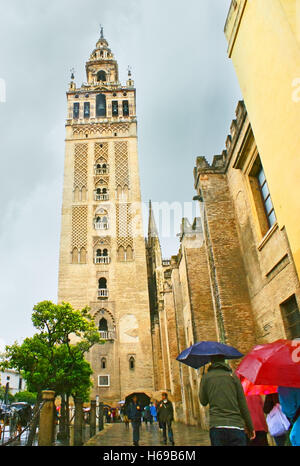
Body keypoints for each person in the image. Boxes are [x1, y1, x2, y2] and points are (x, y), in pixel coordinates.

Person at [199, 355, 255, 446]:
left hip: (217, 426)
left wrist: (202, 383)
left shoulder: (206, 378)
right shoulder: (233, 376)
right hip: (235, 425)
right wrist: (250, 427)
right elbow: (242, 404)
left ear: (211, 362)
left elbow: (203, 401)